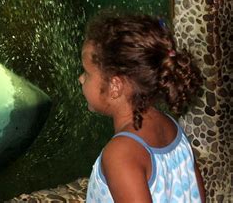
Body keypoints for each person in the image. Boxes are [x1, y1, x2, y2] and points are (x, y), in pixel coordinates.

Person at [80, 12, 206, 202]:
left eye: (87, 73)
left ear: (115, 86)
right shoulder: (171, 128)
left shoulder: (120, 155)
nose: (81, 79)